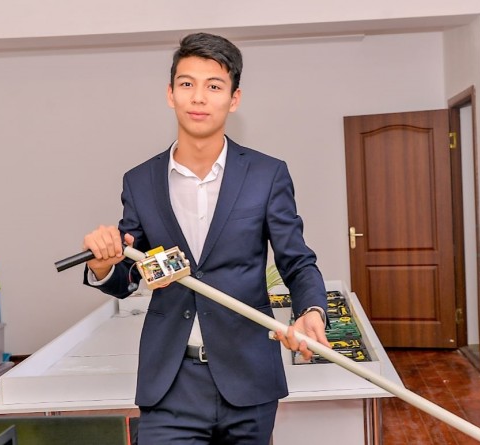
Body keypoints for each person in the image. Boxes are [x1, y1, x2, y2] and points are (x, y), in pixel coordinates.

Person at [81, 32, 329, 444]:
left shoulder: (267, 175)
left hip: (249, 378)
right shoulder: (140, 181)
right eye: (187, 84)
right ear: (170, 93)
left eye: (214, 86)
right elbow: (129, 275)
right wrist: (103, 265)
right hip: (169, 383)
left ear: (234, 99)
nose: (198, 97)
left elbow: (297, 261)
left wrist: (312, 311)